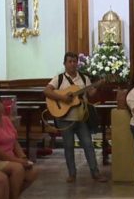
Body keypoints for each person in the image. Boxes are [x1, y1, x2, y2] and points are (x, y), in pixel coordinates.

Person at [44, 51, 107, 183]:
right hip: (64, 119)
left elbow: (91, 94)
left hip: (81, 117)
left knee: (88, 144)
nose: (72, 64)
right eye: (70, 61)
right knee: (68, 146)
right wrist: (62, 97)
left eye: (74, 61)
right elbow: (47, 91)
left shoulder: (84, 79)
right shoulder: (59, 78)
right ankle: (72, 174)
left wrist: (98, 86)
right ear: (65, 63)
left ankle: (95, 173)